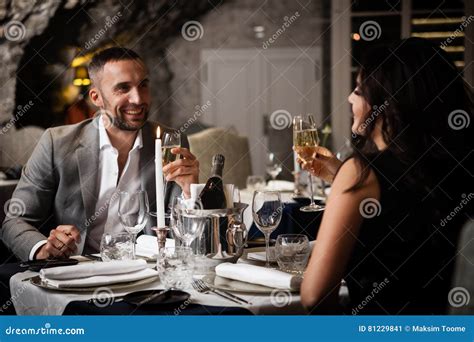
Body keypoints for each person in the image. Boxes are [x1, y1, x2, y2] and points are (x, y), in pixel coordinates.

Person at [300, 38, 473, 314]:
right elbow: (407, 207)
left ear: (384, 104)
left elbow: (314, 295)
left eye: (358, 90)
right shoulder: (456, 166)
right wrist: (340, 174)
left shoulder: (361, 172)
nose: (349, 98)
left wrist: (349, 177)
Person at [1, 47, 199, 261]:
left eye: (143, 85)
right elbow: (14, 222)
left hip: (143, 273)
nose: (138, 99)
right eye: (123, 89)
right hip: (76, 270)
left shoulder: (169, 143)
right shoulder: (56, 144)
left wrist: (191, 193)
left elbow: (188, 237)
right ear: (96, 97)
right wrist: (43, 248)